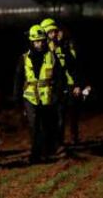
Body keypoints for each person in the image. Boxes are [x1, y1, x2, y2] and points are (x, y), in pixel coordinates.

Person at [13, 24, 66, 164]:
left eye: (42, 41)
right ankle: (36, 153)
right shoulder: (24, 58)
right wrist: (17, 97)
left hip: (48, 97)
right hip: (30, 97)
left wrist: (59, 93)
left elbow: (60, 76)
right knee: (34, 125)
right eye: (36, 41)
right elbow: (18, 78)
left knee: (48, 124)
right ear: (31, 41)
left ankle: (48, 150)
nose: (40, 44)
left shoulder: (52, 57)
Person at [40, 18, 82, 145]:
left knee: (67, 113)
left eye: (55, 31)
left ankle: (66, 140)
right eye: (51, 32)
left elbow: (72, 65)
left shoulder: (64, 45)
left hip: (65, 84)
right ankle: (54, 142)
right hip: (49, 87)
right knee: (54, 117)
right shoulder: (42, 48)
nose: (54, 34)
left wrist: (77, 84)